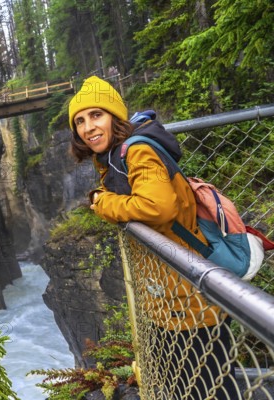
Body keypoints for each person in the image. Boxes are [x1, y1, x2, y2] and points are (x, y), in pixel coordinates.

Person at [67, 76, 237, 399]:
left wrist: (103, 204)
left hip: (190, 297)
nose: (88, 127)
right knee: (189, 385)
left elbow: (158, 207)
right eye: (80, 121)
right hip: (169, 294)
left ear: (114, 116)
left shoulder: (137, 151)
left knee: (209, 387)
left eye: (96, 115)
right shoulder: (114, 157)